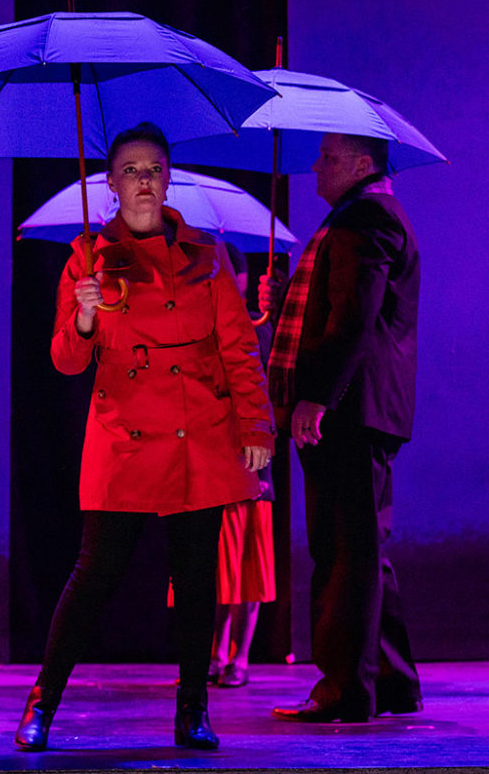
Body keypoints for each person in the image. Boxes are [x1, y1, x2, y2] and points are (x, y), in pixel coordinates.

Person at [14, 122, 274, 752]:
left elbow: (239, 348)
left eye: (153, 169)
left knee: (196, 578)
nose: (143, 182)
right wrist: (83, 315)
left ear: (168, 178)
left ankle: (194, 710)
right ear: (110, 183)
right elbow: (65, 362)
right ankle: (43, 702)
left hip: (198, 431)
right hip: (124, 435)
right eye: (130, 171)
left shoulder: (206, 255)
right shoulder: (89, 258)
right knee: (94, 574)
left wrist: (256, 423)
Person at [265, 133, 422, 723]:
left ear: (361, 164)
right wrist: (286, 299)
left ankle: (344, 691)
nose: (316, 165)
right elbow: (340, 307)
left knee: (342, 554)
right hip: (360, 409)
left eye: (329, 157)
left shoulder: (365, 219)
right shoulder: (365, 216)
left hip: (349, 411)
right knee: (362, 550)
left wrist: (317, 398)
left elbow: (354, 317)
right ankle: (393, 684)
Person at [206, 244, 276, 689]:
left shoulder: (259, 328)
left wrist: (261, 473)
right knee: (216, 570)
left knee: (248, 569)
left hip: (252, 466)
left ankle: (240, 656)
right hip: (213, 465)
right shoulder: (203, 324)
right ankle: (215, 653)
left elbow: (266, 398)